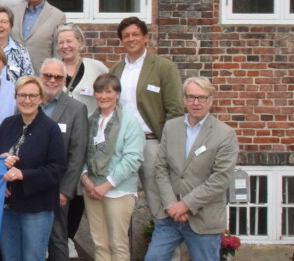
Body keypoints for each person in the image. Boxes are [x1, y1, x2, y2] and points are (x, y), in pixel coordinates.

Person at [144, 77, 238, 261]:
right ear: (184, 99)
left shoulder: (225, 134)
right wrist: (172, 204)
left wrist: (185, 205)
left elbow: (220, 179)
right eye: (191, 97)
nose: (196, 103)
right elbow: (161, 168)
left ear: (211, 100)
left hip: (203, 218)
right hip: (170, 216)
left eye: (202, 97)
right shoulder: (171, 127)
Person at [109, 16, 184, 226]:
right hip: (122, 145)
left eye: (135, 34)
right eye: (126, 36)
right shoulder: (115, 71)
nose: (130, 39)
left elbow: (175, 111)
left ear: (145, 38)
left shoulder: (163, 67)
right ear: (121, 41)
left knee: (159, 203)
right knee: (119, 202)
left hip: (152, 143)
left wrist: (169, 148)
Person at [0, 76, 67, 261]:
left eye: (33, 96)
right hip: (8, 206)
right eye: (22, 95)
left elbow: (56, 169)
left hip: (37, 208)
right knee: (10, 257)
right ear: (16, 96)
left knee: (32, 257)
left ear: (41, 98)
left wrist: (23, 175)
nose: (27, 100)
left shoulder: (51, 129)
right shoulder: (7, 124)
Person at [80, 73, 145, 261]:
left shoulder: (129, 122)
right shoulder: (90, 120)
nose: (103, 96)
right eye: (99, 91)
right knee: (100, 243)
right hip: (91, 189)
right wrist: (86, 180)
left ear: (117, 94)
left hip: (119, 191)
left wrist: (106, 186)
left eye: (108, 91)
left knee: (118, 244)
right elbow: (80, 151)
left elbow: (133, 158)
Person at [39, 58, 90, 261]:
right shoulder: (29, 102)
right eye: (47, 75)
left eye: (57, 76)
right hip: (31, 184)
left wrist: (65, 190)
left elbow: (78, 153)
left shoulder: (77, 109)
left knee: (58, 238)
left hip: (57, 187)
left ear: (65, 79)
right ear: (40, 77)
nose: (52, 80)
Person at [9, 0, 66, 71]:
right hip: (13, 73)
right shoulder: (13, 12)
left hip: (41, 74)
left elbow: (58, 51)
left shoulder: (57, 16)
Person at [56, 23, 109, 115]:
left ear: (79, 42)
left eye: (69, 41)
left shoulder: (97, 68)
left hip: (90, 126)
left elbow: (110, 94)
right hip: (61, 127)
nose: (65, 46)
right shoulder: (52, 70)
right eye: (61, 42)